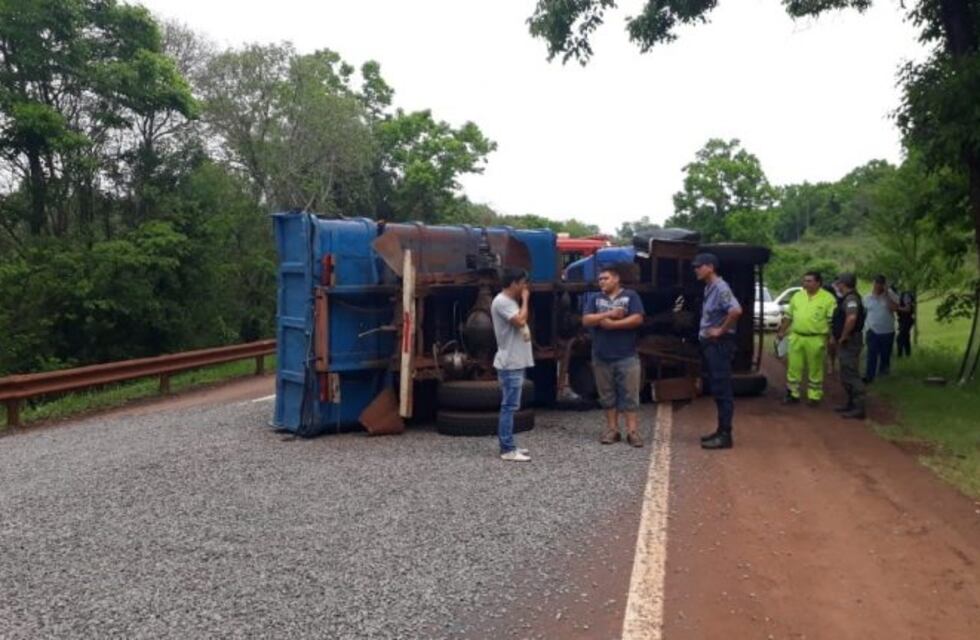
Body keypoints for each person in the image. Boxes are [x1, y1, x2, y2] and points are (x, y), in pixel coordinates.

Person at [582, 263, 646, 447]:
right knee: (607, 395)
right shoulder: (594, 298)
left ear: (616, 279)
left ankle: (632, 431)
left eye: (606, 278)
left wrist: (614, 325)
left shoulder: (630, 296)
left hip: (627, 354)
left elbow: (638, 318)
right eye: (600, 279)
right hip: (601, 355)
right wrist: (609, 314)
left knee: (630, 395)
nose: (601, 282)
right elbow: (586, 319)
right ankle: (612, 429)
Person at [693, 253, 742, 450]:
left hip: (719, 344)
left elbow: (736, 311)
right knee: (717, 387)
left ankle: (725, 435)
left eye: (699, 266)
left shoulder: (721, 288)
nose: (695, 269)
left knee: (722, 389)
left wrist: (721, 330)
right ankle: (721, 431)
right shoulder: (709, 288)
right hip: (711, 344)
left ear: (710, 267)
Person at [491, 268, 535, 462]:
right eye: (523, 282)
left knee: (511, 405)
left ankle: (510, 444)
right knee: (508, 406)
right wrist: (526, 299)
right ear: (514, 283)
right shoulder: (502, 301)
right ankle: (507, 448)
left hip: (515, 360)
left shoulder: (508, 302)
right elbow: (520, 320)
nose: (525, 286)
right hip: (510, 362)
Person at [776, 271, 836, 406]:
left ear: (818, 282)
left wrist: (832, 337)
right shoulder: (797, 296)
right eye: (804, 281)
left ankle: (814, 396)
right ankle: (793, 394)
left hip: (816, 338)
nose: (805, 284)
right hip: (796, 336)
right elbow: (788, 316)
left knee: (816, 368)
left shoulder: (828, 299)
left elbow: (831, 321)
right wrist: (782, 332)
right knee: (794, 367)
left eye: (809, 281)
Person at [831, 273, 867, 419]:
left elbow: (851, 318)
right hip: (849, 339)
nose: (837, 286)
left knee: (850, 373)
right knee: (846, 372)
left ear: (843, 284)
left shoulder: (851, 299)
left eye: (838, 283)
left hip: (850, 340)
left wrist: (844, 335)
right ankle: (851, 404)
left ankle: (859, 408)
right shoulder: (847, 298)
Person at [864, 275, 900, 382]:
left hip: (887, 331)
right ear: (874, 283)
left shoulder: (891, 295)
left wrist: (886, 294)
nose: (878, 286)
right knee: (871, 354)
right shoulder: (867, 297)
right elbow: (864, 313)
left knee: (885, 355)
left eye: (881, 284)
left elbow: (894, 308)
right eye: (876, 283)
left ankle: (883, 375)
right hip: (872, 330)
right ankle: (869, 376)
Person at [896, 287, 916, 358]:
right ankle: (908, 355)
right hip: (904, 319)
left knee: (900, 338)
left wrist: (896, 308)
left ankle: (900, 356)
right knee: (906, 338)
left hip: (906, 319)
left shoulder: (906, 295)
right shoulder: (903, 294)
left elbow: (907, 309)